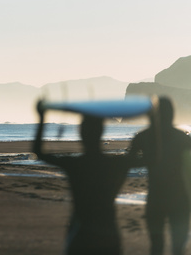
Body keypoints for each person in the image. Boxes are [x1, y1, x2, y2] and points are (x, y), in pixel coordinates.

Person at [33, 101, 135, 255]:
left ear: (81, 133)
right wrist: (156, 120)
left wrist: (41, 117)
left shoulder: (75, 164)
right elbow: (153, 159)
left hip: (82, 232)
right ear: (101, 132)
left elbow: (39, 152)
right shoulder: (115, 164)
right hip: (109, 232)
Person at [129, 96, 191, 255]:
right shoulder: (182, 138)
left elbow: (127, 162)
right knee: (177, 246)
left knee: (157, 246)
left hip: (157, 197)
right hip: (179, 197)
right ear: (172, 114)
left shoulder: (142, 137)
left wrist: (148, 159)